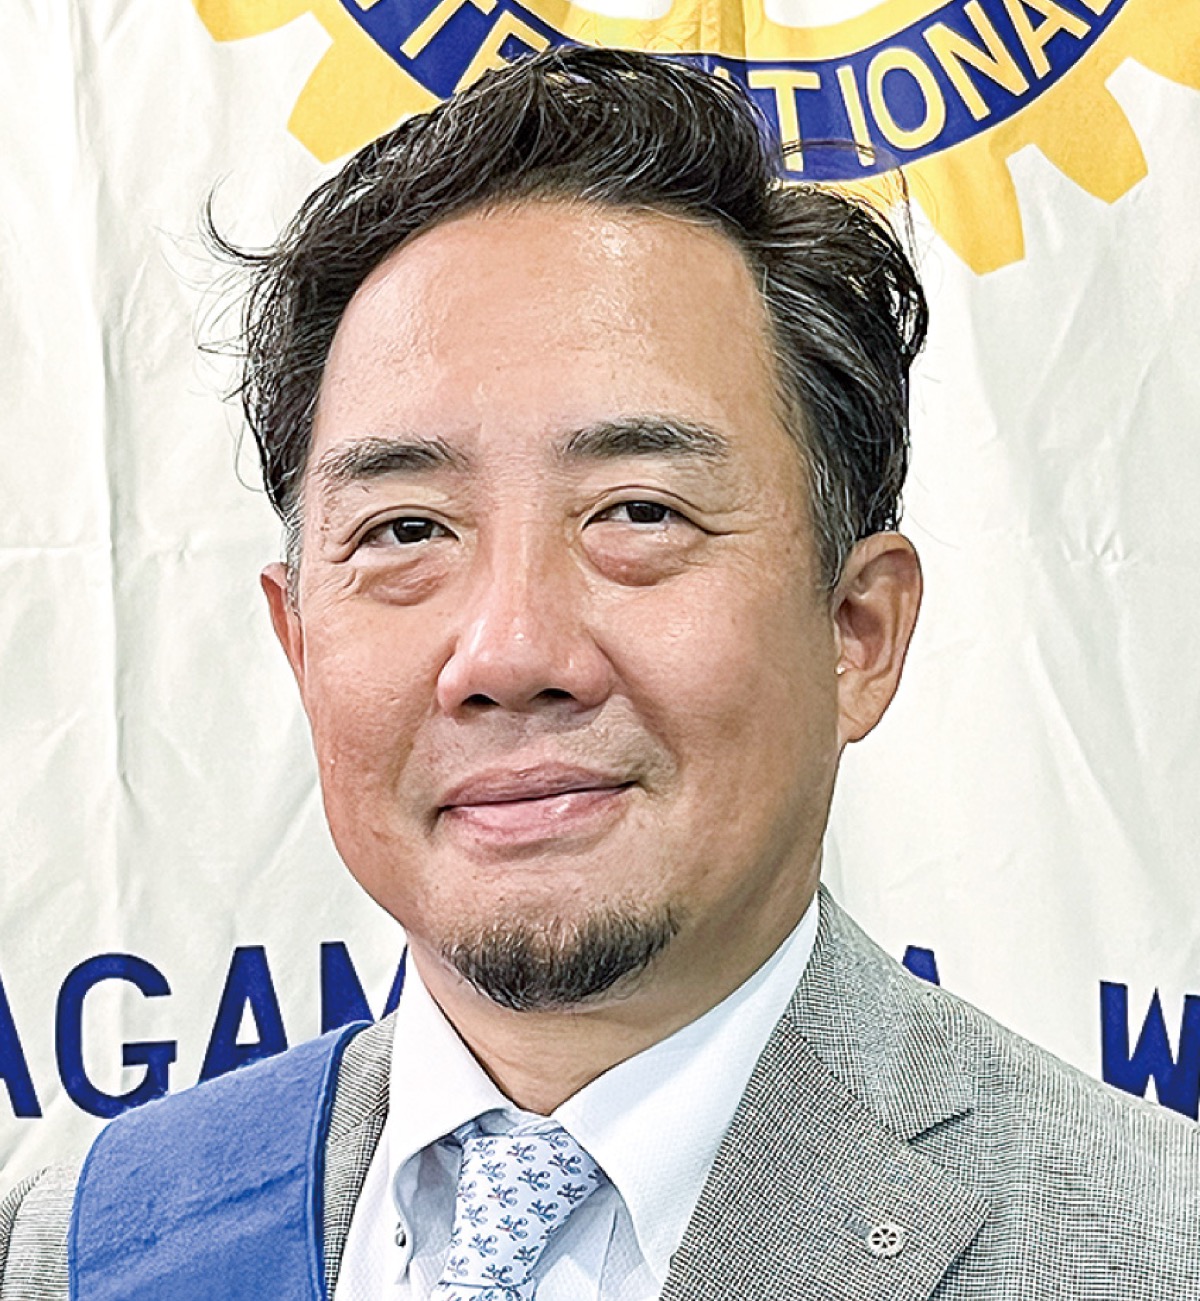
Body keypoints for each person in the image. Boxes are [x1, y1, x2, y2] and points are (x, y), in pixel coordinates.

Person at [0, 45, 1195, 1301]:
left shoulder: (1148, 1250)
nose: (510, 653)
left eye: (638, 512)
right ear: (299, 644)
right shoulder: (80, 1250)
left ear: (858, 629)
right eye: (405, 530)